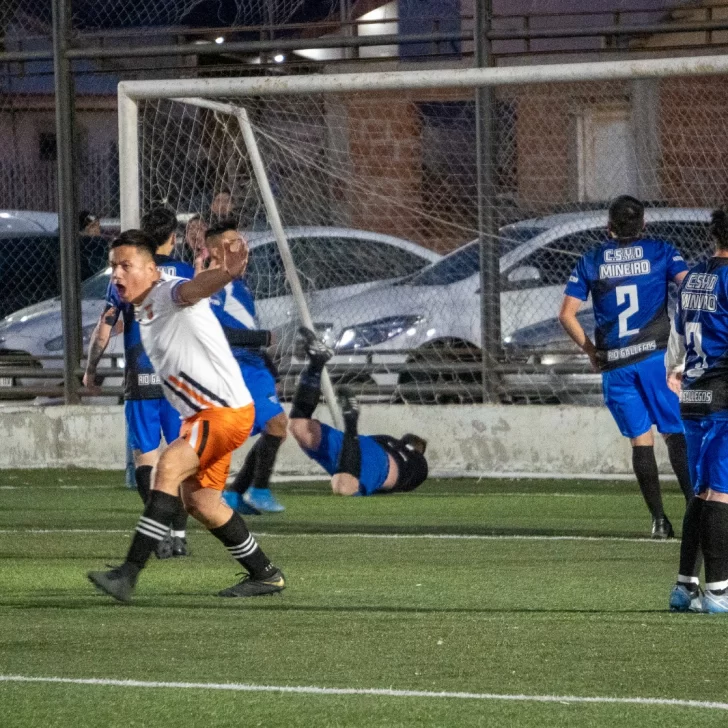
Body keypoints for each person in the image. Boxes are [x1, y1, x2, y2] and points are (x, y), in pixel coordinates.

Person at [87, 229, 284, 603]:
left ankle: (127, 574)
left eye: (126, 266)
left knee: (168, 467)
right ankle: (265, 574)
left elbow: (191, 290)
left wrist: (225, 273)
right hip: (209, 415)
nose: (116, 275)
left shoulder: (167, 291)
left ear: (151, 269)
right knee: (202, 503)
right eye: (113, 267)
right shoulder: (145, 304)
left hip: (221, 413)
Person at [559, 195, 693, 538]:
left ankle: (659, 522)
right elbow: (690, 288)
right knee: (676, 434)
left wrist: (590, 350)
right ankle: (697, 511)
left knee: (640, 441)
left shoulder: (591, 260)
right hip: (656, 358)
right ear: (644, 224)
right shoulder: (662, 251)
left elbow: (567, 315)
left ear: (609, 228)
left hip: (616, 363)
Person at [84, 206, 195, 558]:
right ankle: (178, 534)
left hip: (142, 375)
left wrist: (90, 369)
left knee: (146, 460)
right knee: (179, 460)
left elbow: (105, 326)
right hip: (179, 380)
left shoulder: (128, 275)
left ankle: (158, 531)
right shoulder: (188, 274)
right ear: (173, 238)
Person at [666, 208, 728, 613]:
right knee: (721, 493)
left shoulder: (693, 279)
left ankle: (685, 586)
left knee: (702, 492)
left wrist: (677, 371)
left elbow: (678, 338)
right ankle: (719, 593)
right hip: (724, 395)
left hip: (693, 395)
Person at [203, 220, 287, 513]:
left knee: (274, 425)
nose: (242, 248)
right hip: (236, 366)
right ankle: (248, 490)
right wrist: (261, 338)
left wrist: (268, 365)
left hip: (254, 365)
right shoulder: (214, 283)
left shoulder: (237, 282)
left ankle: (240, 492)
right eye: (233, 243)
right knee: (269, 425)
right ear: (214, 250)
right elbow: (214, 331)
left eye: (242, 242)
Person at [288, 327, 428, 496]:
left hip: (359, 445)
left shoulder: (386, 439)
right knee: (343, 488)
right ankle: (351, 422)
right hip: (378, 461)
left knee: (299, 427)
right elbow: (407, 476)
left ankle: (316, 365)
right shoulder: (416, 464)